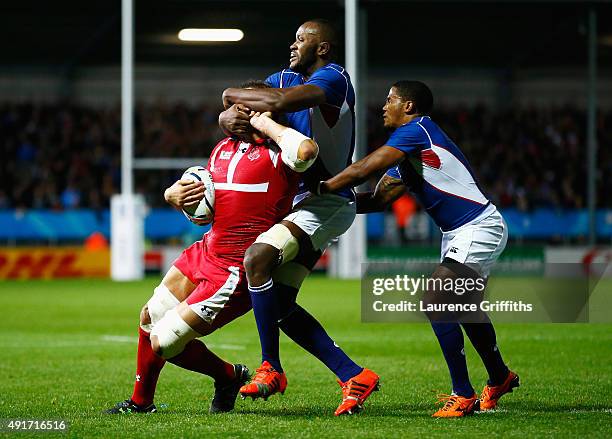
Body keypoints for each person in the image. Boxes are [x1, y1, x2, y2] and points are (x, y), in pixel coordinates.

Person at [106, 80, 320, 415]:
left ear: (261, 112)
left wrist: (268, 123)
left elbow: (307, 152)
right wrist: (172, 195)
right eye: (233, 107)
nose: (233, 114)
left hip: (235, 273)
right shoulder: (222, 149)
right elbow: (202, 210)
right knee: (149, 317)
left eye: (243, 108)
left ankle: (227, 376)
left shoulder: (281, 154)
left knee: (162, 342)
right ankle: (140, 402)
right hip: (205, 252)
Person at [318, 80, 519, 418]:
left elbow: (363, 169)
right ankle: (499, 377)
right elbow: (379, 200)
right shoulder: (409, 154)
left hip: (477, 227)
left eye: (390, 99)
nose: (384, 106)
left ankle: (463, 394)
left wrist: (321, 187)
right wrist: (327, 204)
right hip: (460, 232)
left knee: (438, 300)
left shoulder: (418, 131)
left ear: (408, 106)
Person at [219, 19, 379, 415]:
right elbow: (250, 106)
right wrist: (227, 118)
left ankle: (270, 367)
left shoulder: (334, 78)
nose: (293, 45)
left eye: (301, 39)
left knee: (257, 259)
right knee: (280, 303)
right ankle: (353, 375)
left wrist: (226, 95)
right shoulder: (283, 76)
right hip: (304, 201)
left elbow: (272, 104)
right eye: (292, 38)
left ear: (322, 47)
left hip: (327, 201)